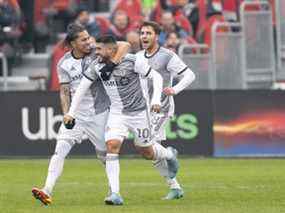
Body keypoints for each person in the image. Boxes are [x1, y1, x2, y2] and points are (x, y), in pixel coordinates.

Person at [63, 35, 179, 205]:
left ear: (110, 50)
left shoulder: (132, 61)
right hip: (117, 114)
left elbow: (157, 77)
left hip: (139, 113)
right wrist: (71, 112)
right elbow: (81, 88)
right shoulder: (97, 66)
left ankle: (169, 154)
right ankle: (115, 194)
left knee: (146, 152)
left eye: (100, 49)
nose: (96, 52)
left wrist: (155, 100)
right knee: (112, 146)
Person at [31, 23, 130, 206]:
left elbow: (124, 45)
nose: (88, 41)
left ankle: (113, 191)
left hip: (99, 113)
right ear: (73, 43)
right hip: (76, 115)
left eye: (88, 37)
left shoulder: (97, 53)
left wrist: (112, 63)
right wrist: (67, 114)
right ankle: (46, 190)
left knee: (104, 155)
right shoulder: (64, 63)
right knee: (60, 150)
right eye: (83, 39)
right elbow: (64, 91)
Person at [138, 21, 195, 199]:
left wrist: (175, 89)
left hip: (161, 108)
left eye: (148, 33)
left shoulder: (167, 55)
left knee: (145, 145)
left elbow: (190, 75)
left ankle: (171, 154)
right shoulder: (139, 56)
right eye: (142, 33)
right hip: (143, 109)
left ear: (157, 36)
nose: (144, 36)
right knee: (154, 152)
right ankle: (175, 188)